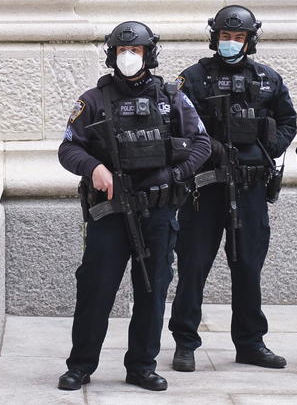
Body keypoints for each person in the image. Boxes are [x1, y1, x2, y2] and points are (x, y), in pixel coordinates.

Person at [57, 21, 211, 392]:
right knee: (96, 290)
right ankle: (80, 366)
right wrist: (93, 167)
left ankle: (142, 366)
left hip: (158, 212)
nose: (129, 57)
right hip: (111, 212)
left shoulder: (172, 97)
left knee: (152, 291)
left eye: (136, 50)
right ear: (112, 55)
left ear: (148, 54)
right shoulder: (93, 100)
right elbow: (68, 148)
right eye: (123, 51)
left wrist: (177, 174)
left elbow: (202, 143)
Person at [168, 5, 297, 372]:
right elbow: (178, 127)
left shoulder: (267, 79)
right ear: (215, 37)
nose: (231, 42)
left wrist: (267, 148)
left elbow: (288, 121)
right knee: (194, 266)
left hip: (250, 188)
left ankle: (251, 343)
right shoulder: (193, 78)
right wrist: (209, 149)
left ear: (249, 40)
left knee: (248, 266)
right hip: (205, 190)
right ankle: (185, 342)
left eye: (239, 37)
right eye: (226, 36)